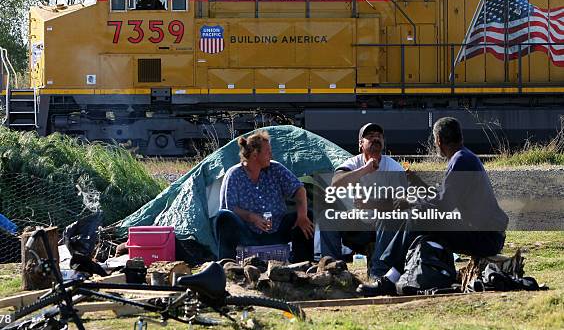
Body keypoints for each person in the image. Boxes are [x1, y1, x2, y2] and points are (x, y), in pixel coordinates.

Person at [358, 117, 509, 296]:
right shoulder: (464, 157)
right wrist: (419, 184)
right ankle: (393, 273)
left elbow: (443, 205)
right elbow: (442, 198)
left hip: (485, 238)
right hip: (483, 232)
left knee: (417, 218)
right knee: (419, 216)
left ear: (438, 140)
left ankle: (388, 276)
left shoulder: (461, 161)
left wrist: (411, 202)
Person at [320, 123, 406, 278]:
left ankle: (378, 274)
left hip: (383, 229)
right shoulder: (353, 163)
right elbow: (336, 183)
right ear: (360, 144)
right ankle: (333, 270)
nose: (375, 139)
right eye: (370, 136)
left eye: (379, 136)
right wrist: (366, 169)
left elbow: (402, 203)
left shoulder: (393, 168)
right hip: (357, 226)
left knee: (388, 219)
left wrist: (372, 204)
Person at [214, 131, 314, 262]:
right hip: (247, 233)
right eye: (268, 152)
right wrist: (252, 217)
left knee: (306, 218)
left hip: (277, 229)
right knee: (224, 217)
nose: (271, 155)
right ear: (255, 154)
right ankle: (227, 266)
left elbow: (299, 189)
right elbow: (230, 208)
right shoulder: (234, 174)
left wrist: (302, 216)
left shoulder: (276, 168)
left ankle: (303, 265)